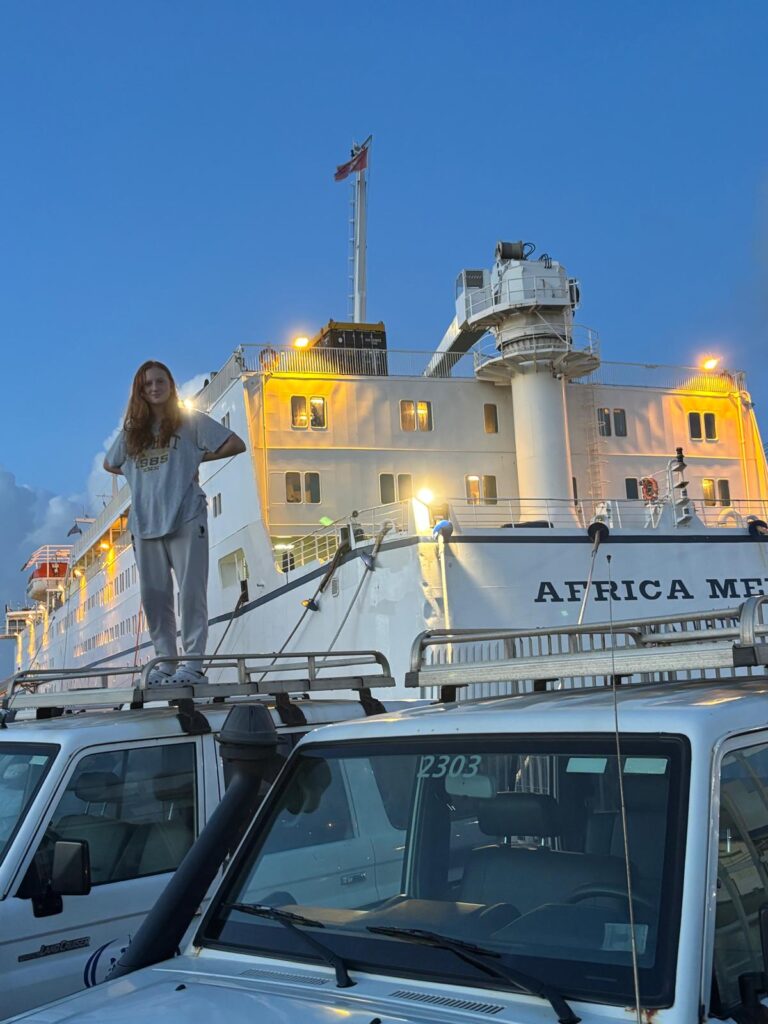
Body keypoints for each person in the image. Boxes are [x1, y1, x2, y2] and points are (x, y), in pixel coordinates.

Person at [104, 360, 246, 685]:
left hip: (186, 515)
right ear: (140, 391)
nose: (154, 388)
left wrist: (196, 456)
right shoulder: (132, 433)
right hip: (144, 521)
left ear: (170, 385)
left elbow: (236, 443)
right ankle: (166, 662)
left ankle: (193, 664)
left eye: (160, 381)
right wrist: (141, 474)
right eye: (147, 384)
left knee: (191, 592)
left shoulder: (189, 421)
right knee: (154, 596)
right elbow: (110, 463)